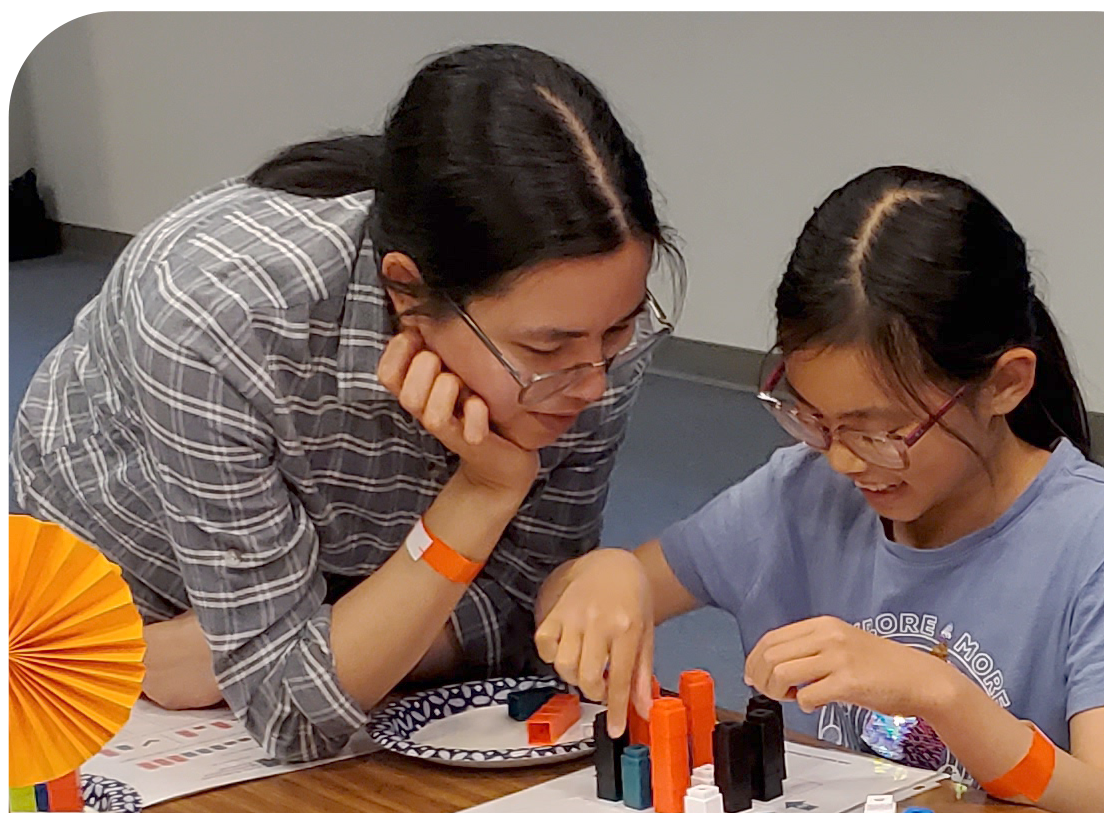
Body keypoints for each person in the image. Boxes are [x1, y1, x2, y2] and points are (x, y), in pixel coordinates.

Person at [11, 43, 681, 762]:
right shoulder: (216, 317)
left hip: (281, 619)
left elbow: (526, 627)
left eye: (619, 328)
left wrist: (333, 639)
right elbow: (292, 713)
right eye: (547, 351)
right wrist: (480, 498)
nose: (594, 383)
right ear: (405, 290)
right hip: (119, 616)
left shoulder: (586, 329)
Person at [534, 165, 1104, 813]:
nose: (844, 459)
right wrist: (606, 575)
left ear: (1004, 384)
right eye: (815, 419)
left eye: (879, 431)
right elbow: (567, 604)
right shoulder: (797, 495)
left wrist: (941, 695)